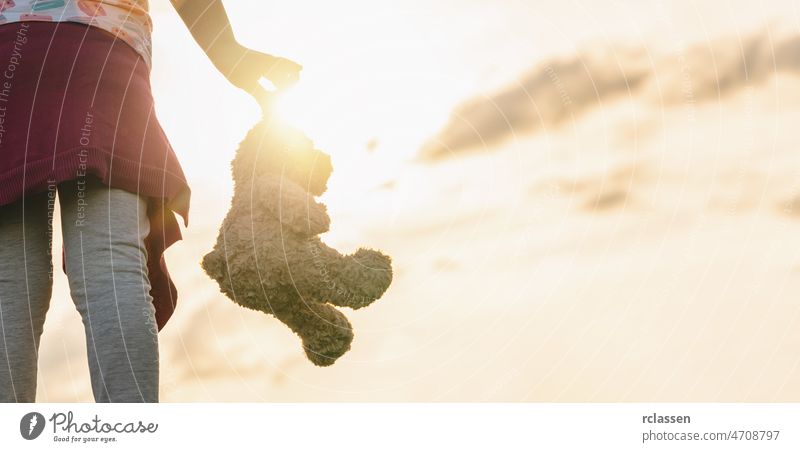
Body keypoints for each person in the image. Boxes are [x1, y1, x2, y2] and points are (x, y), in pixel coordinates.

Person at [0, 0, 301, 403]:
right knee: (110, 266)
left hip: (9, 63)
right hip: (102, 56)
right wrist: (233, 56)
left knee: (11, 281)